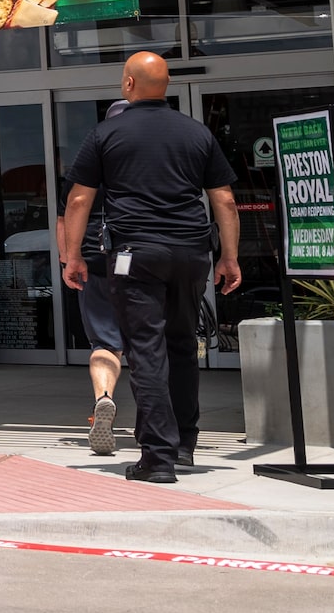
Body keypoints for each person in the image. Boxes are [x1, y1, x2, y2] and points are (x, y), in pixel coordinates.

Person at [60, 53, 239, 482]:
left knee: (146, 351)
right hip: (192, 254)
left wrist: (74, 255)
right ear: (167, 84)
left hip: (134, 255)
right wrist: (229, 257)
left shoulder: (106, 133)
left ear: (128, 84)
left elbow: (79, 200)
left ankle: (157, 458)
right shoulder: (197, 133)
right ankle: (183, 447)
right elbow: (225, 200)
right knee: (182, 346)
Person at [55, 98, 131, 458]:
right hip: (143, 264)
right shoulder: (147, 162)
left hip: (96, 265)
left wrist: (70, 259)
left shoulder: (86, 165)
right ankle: (153, 423)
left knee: (105, 344)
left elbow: (66, 214)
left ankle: (104, 398)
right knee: (150, 344)